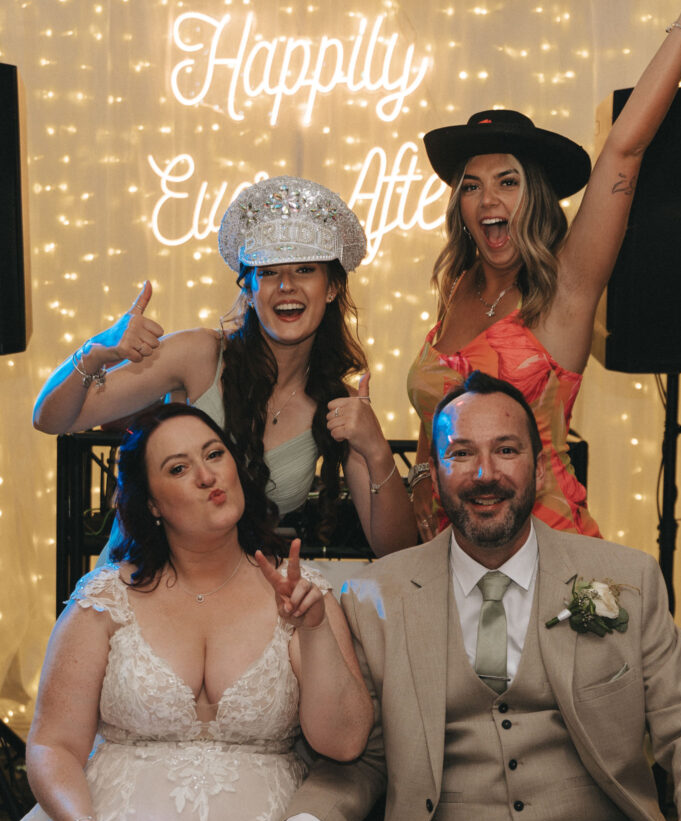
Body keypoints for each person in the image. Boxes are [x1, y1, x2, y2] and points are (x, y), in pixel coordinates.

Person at [240, 370, 681, 821]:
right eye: (460, 453)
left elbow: (676, 726)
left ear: (536, 464)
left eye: (505, 449)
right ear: (432, 472)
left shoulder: (624, 579)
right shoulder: (375, 594)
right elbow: (362, 757)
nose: (485, 473)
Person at [0, 403, 372, 821]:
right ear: (150, 502)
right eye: (178, 467)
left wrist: (311, 633)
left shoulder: (301, 592)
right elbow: (54, 744)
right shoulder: (104, 601)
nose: (207, 475)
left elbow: (344, 742)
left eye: (214, 454)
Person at [32, 175, 415, 556]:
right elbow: (50, 419)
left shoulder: (339, 404)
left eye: (304, 270)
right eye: (267, 272)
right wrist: (96, 351)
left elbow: (395, 549)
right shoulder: (200, 356)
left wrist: (377, 449)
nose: (286, 285)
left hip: (241, 599)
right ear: (248, 291)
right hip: (146, 583)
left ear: (331, 288)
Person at [407, 14, 681, 542]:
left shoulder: (566, 289)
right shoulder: (459, 285)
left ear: (535, 194)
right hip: (456, 553)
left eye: (507, 182)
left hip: (549, 559)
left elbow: (626, 146)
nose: (489, 200)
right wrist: (423, 472)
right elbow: (436, 400)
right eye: (472, 186)